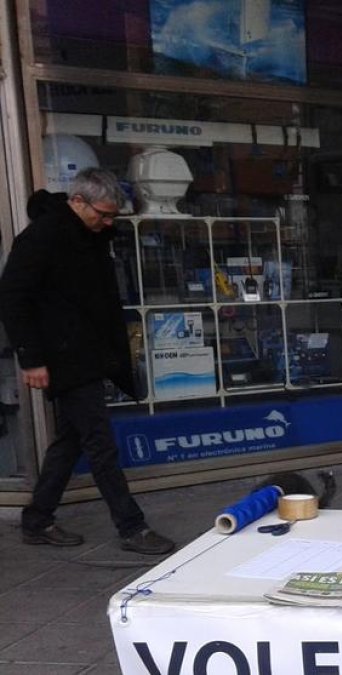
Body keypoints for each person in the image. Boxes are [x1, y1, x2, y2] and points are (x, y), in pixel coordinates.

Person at [0, 168, 175, 555]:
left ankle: (37, 518)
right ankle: (132, 527)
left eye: (114, 216)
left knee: (72, 440)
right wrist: (31, 359)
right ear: (77, 201)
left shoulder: (92, 234)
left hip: (88, 352)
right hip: (65, 356)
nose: (108, 222)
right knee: (99, 441)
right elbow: (12, 296)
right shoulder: (42, 236)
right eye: (103, 214)